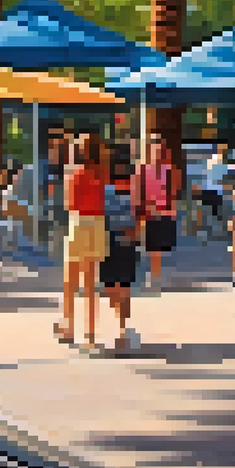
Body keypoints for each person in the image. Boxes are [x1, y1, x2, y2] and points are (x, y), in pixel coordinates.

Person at [57, 132, 108, 348]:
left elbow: (69, 204)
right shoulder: (101, 172)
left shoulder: (75, 173)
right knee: (90, 283)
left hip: (79, 223)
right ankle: (90, 334)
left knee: (70, 281)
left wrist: (69, 163)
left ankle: (68, 326)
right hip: (97, 223)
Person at [103, 149, 142, 350]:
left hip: (118, 240)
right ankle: (121, 323)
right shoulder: (107, 187)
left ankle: (122, 326)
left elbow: (139, 214)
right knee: (117, 285)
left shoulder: (131, 188)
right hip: (116, 240)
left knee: (119, 285)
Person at [136, 135, 180, 290]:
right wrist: (141, 211)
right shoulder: (142, 170)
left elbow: (172, 192)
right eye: (153, 147)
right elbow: (138, 193)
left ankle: (155, 276)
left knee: (157, 249)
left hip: (163, 213)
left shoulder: (168, 170)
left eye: (159, 147)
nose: (156, 151)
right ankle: (152, 276)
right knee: (149, 248)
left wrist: (172, 211)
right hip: (147, 213)